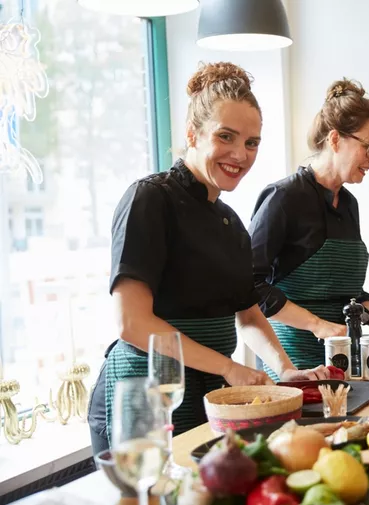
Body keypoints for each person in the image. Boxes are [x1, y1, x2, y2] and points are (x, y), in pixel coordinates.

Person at [87, 62, 326, 454]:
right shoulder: (150, 199)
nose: (240, 154)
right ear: (192, 134)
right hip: (145, 395)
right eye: (225, 136)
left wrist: (285, 370)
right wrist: (228, 367)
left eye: (252, 143)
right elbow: (131, 323)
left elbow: (249, 316)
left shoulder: (231, 223)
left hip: (209, 395)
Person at [249, 79, 369, 379]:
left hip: (343, 361)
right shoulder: (282, 198)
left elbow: (348, 291)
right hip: (293, 366)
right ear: (335, 139)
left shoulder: (348, 204)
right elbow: (250, 286)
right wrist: (316, 324)